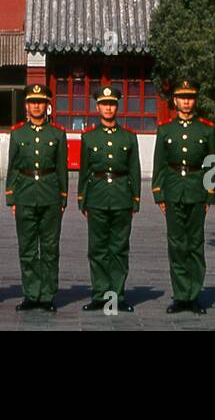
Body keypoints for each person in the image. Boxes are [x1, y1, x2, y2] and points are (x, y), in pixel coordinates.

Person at [153, 80, 215, 314]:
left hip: (196, 190)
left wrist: (209, 196)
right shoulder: (165, 129)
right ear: (175, 101)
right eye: (182, 98)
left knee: (195, 244)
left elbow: (210, 164)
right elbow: (159, 163)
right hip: (173, 190)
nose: (186, 102)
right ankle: (180, 295)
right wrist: (159, 194)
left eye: (190, 97)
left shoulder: (206, 130)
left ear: (195, 100)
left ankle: (194, 294)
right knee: (177, 244)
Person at [77, 84, 141, 312]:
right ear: (97, 107)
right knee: (97, 249)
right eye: (104, 104)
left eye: (112, 104)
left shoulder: (128, 137)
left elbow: (134, 169)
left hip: (122, 196)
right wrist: (82, 199)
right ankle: (99, 294)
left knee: (119, 248)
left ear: (117, 106)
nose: (108, 108)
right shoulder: (89, 137)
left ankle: (117, 296)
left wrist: (135, 199)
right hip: (97, 196)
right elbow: (84, 171)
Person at [4, 83, 67, 312]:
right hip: (25, 194)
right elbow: (12, 167)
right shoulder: (18, 133)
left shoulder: (58, 134)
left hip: (50, 194)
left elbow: (61, 168)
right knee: (28, 247)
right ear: (27, 105)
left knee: (50, 247)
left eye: (40, 102)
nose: (36, 105)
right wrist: (11, 198)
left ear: (47, 105)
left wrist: (62, 198)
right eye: (32, 102)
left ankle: (48, 294)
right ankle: (31, 294)